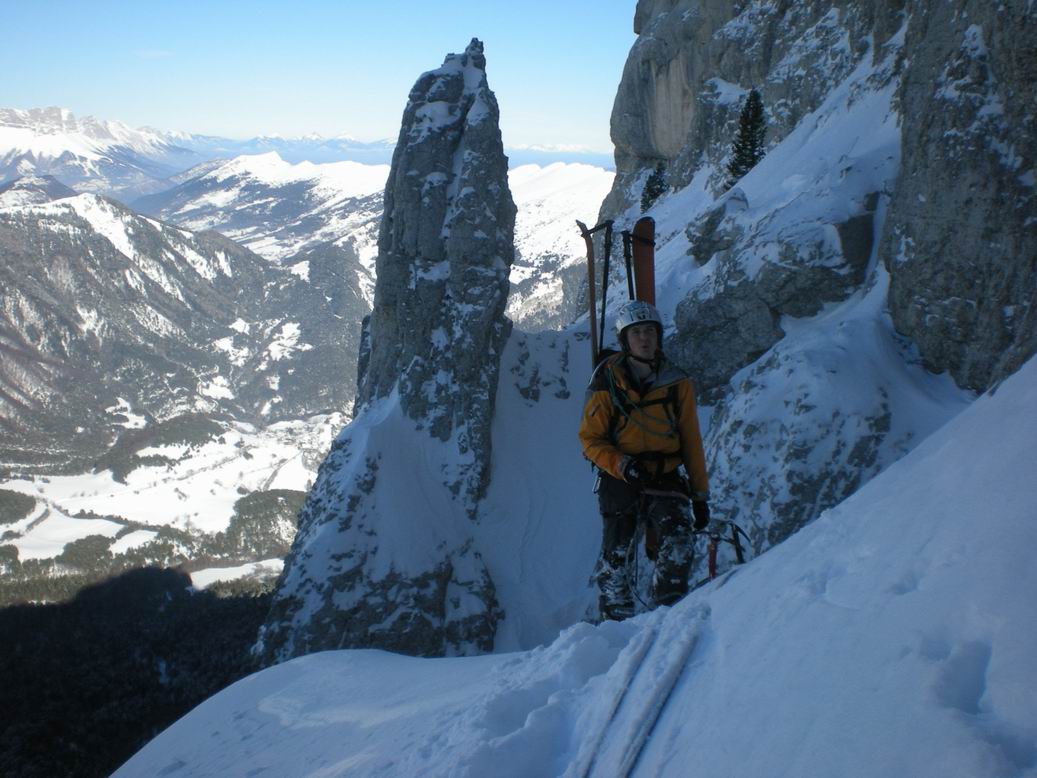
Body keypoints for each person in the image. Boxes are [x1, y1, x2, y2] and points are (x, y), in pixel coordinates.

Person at [578, 300, 711, 621]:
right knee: (617, 554)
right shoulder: (607, 382)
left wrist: (700, 495)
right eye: (636, 332)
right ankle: (616, 621)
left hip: (664, 474)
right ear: (625, 340)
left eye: (650, 331)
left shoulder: (676, 382)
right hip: (621, 476)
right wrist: (623, 465)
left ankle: (668, 612)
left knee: (678, 540)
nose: (645, 338)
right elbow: (590, 440)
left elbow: (691, 440)